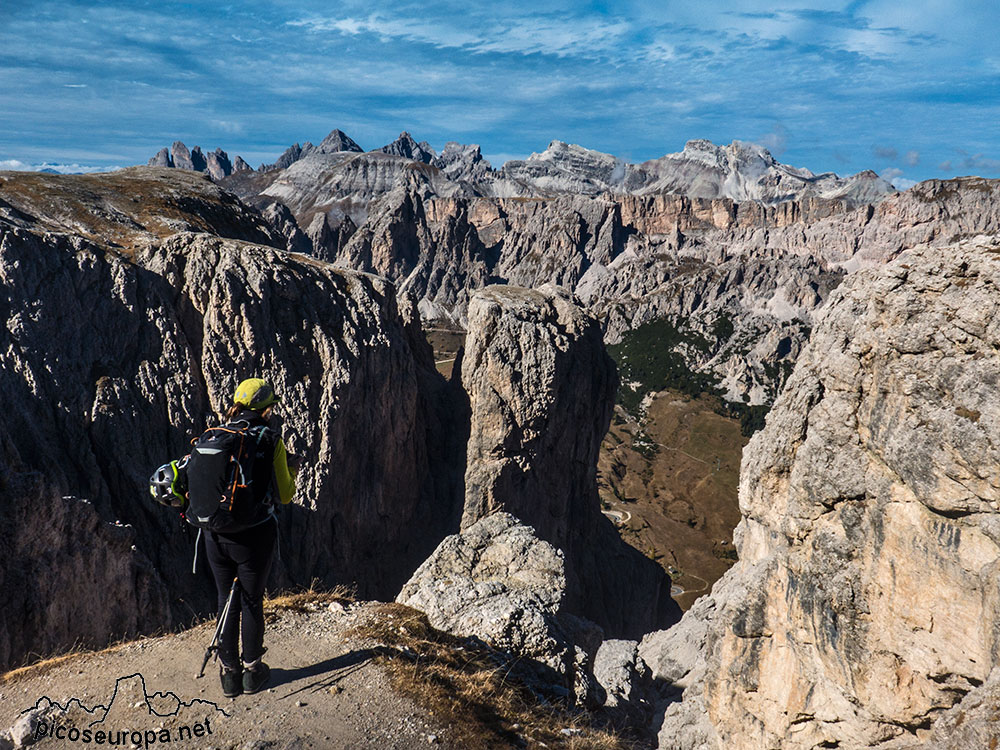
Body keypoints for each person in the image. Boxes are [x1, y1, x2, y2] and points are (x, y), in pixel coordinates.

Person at [203, 377, 299, 697]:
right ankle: (252, 672)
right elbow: (285, 495)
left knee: (224, 599)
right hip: (254, 536)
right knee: (250, 600)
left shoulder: (217, 434)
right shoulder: (270, 438)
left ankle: (229, 676)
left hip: (214, 535)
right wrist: (291, 474)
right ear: (266, 409)